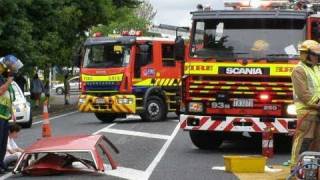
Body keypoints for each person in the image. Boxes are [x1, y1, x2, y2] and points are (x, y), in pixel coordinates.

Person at [290, 40, 320, 168]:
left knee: (317, 141)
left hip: (317, 110)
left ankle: (312, 168)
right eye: (315, 54)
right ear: (306, 55)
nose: (317, 57)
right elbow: (304, 94)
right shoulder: (299, 70)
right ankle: (295, 166)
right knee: (303, 139)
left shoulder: (316, 68)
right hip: (306, 111)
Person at [0, 55, 23, 173]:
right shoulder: (3, 80)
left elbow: (8, 98)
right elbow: (1, 91)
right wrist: (9, 82)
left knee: (3, 142)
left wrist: (11, 113)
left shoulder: (3, 78)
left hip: (4, 115)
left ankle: (1, 164)